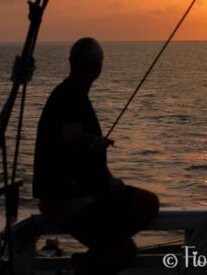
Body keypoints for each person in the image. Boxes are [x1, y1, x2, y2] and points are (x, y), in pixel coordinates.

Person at [33, 37, 159, 274]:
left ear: (72, 62)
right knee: (127, 244)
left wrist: (108, 178)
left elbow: (78, 152)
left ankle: (99, 251)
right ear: (97, 66)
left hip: (85, 194)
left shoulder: (70, 93)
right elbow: (72, 135)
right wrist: (96, 142)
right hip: (69, 202)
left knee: (142, 209)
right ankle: (86, 265)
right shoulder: (70, 95)